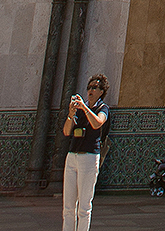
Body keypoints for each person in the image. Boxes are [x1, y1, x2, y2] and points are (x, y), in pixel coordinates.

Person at [62, 72, 110, 230]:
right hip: (73, 156)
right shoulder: (80, 110)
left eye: (95, 87)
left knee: (84, 206)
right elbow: (66, 131)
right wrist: (71, 114)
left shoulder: (103, 108)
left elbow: (98, 123)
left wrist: (84, 107)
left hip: (89, 157)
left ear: (101, 91)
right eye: (89, 87)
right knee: (68, 206)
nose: (91, 90)